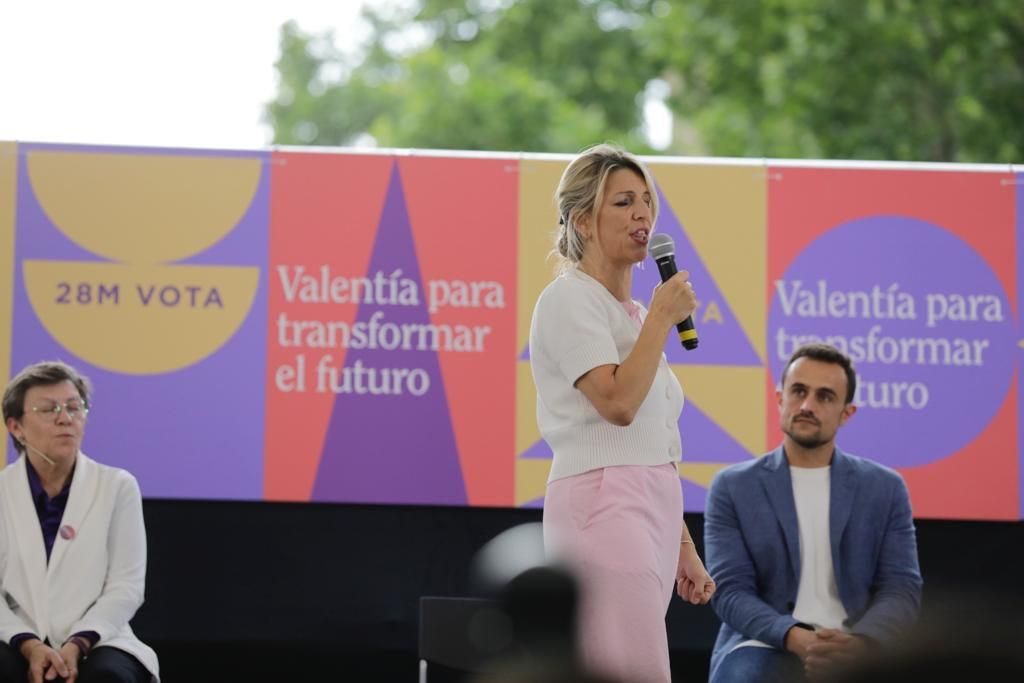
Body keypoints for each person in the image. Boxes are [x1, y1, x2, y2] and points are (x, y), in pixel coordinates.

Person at [529, 143, 715, 683]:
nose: (643, 215)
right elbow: (617, 405)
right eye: (624, 202)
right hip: (601, 503)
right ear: (583, 219)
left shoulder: (632, 315)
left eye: (648, 202)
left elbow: (652, 441)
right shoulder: (568, 300)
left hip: (652, 508)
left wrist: (683, 546)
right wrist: (661, 315)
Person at [704, 343, 922, 682]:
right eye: (799, 391)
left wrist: (860, 643)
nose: (807, 405)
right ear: (780, 398)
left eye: (824, 396)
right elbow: (730, 590)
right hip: (764, 642)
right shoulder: (733, 486)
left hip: (856, 644)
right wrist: (797, 637)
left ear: (846, 412)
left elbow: (901, 588)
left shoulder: (885, 488)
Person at [0, 361, 159, 683]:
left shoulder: (117, 486)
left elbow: (126, 587)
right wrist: (28, 644)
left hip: (99, 637)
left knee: (109, 676)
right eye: (49, 409)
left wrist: (79, 641)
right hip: (14, 635)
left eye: (75, 407)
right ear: (15, 426)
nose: (65, 418)